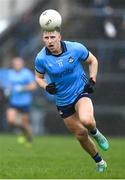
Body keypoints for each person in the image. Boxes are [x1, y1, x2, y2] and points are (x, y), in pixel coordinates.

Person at [34, 14, 109, 172]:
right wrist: (46, 86)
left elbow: (93, 61)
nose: (49, 41)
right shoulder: (41, 58)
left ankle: (96, 133)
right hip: (62, 100)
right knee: (81, 134)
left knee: (87, 121)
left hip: (80, 91)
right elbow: (38, 77)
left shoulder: (75, 48)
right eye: (46, 38)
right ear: (43, 39)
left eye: (52, 37)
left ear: (59, 37)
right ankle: (100, 162)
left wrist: (92, 79)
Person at [5, 57, 37, 146]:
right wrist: (8, 90)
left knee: (25, 123)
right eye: (15, 64)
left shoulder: (26, 73)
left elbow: (34, 86)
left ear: (22, 64)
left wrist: (23, 88)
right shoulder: (10, 73)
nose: (17, 65)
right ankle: (23, 130)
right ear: (13, 64)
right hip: (13, 101)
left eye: (19, 63)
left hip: (25, 102)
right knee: (10, 120)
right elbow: (9, 85)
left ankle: (29, 138)